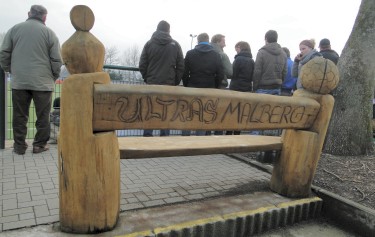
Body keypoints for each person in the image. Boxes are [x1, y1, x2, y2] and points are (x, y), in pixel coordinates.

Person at [0, 5, 63, 154]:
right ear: (45, 17)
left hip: (19, 81)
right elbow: (57, 60)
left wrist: (10, 70)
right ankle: (39, 145)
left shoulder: (14, 30)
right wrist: (53, 76)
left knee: (19, 115)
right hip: (43, 82)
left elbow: (4, 53)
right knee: (43, 116)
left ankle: (19, 147)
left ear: (29, 14)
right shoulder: (50, 33)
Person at [139, 20, 184, 137]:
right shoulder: (175, 45)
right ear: (169, 30)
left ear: (157, 29)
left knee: (150, 109)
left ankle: (147, 136)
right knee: (166, 110)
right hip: (168, 85)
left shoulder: (149, 44)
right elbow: (181, 66)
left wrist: (147, 78)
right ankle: (164, 137)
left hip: (152, 84)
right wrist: (175, 81)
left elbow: (142, 64)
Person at [182, 33, 224, 136]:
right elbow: (220, 74)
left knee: (189, 113)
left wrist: (187, 85)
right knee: (203, 115)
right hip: (209, 88)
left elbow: (184, 72)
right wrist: (215, 86)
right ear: (208, 40)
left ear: (198, 41)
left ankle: (185, 139)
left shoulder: (190, 54)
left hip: (192, 87)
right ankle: (200, 140)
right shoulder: (216, 55)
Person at [226, 41, 254, 135]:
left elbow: (233, 74)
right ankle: (237, 133)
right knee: (240, 113)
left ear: (240, 47)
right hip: (246, 88)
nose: (236, 50)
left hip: (235, 87)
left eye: (236, 48)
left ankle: (229, 133)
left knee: (231, 111)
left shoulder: (238, 59)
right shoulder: (251, 61)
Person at [210, 34, 233, 135]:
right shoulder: (222, 55)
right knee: (219, 114)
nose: (225, 43)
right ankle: (217, 138)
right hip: (220, 87)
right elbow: (229, 73)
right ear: (218, 42)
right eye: (223, 41)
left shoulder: (208, 51)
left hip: (207, 86)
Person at [253, 30, 287, 96]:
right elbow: (284, 72)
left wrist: (255, 87)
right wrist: (280, 82)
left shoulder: (261, 52)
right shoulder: (283, 54)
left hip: (263, 87)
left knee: (260, 106)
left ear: (266, 39)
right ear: (276, 38)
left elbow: (257, 72)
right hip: (277, 87)